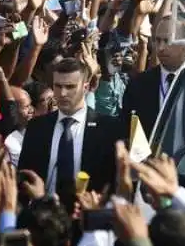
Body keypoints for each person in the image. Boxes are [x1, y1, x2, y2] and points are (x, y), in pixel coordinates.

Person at [18, 58, 119, 212]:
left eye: (70, 87)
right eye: (58, 86)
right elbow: (26, 177)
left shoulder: (108, 129)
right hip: (45, 218)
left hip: (89, 217)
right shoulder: (37, 127)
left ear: (85, 87)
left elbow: (113, 182)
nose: (63, 93)